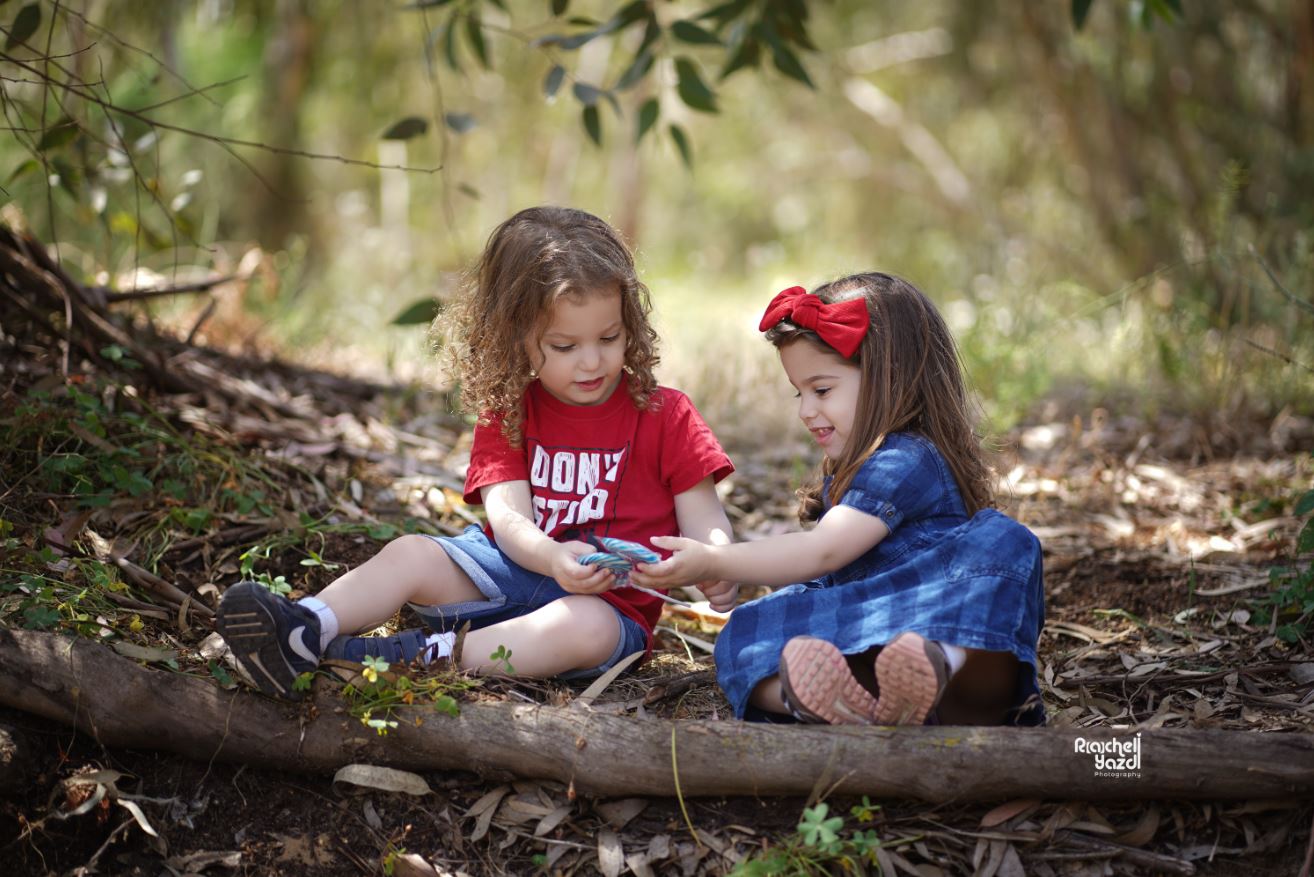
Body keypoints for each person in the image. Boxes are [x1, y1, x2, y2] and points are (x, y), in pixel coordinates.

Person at [216, 206, 735, 699]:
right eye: (564, 346)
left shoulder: (665, 414)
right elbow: (507, 518)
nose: (591, 361)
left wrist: (713, 558)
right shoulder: (511, 409)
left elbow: (705, 515)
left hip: (604, 605)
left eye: (609, 337)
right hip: (509, 569)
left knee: (585, 627)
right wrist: (552, 556)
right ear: (517, 337)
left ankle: (409, 657)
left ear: (631, 326)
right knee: (412, 553)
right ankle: (304, 627)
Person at [632, 274, 1045, 726]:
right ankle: (846, 697)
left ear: (890, 379)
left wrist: (716, 561)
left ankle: (937, 664)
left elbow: (823, 550)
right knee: (745, 630)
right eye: (799, 392)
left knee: (1005, 543)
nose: (805, 410)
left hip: (943, 628)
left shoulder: (906, 457)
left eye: (821, 390)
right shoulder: (856, 464)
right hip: (872, 626)